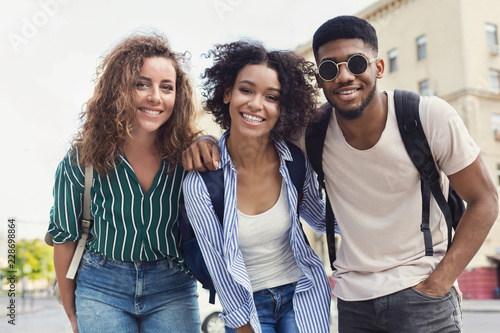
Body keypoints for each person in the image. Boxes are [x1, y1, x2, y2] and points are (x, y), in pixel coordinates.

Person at [183, 16, 499, 333]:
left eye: (356, 63)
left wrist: (440, 281)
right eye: (330, 69)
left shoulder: (427, 116)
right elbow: (252, 129)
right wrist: (204, 140)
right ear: (320, 79)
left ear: (378, 67)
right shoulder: (311, 133)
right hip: (354, 303)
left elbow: (485, 200)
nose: (345, 76)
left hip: (420, 296)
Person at [47, 34, 201, 333]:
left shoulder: (187, 158)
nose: (156, 96)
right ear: (118, 90)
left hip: (173, 287)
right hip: (101, 287)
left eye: (166, 87)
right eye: (142, 84)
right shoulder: (81, 160)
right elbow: (64, 239)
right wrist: (72, 313)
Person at [182, 40, 332, 333]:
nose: (256, 104)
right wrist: (243, 325)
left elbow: (325, 220)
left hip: (301, 294)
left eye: (271, 97)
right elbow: (220, 268)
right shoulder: (201, 183)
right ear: (227, 93)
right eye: (246, 90)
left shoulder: (293, 162)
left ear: (281, 108)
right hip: (247, 306)